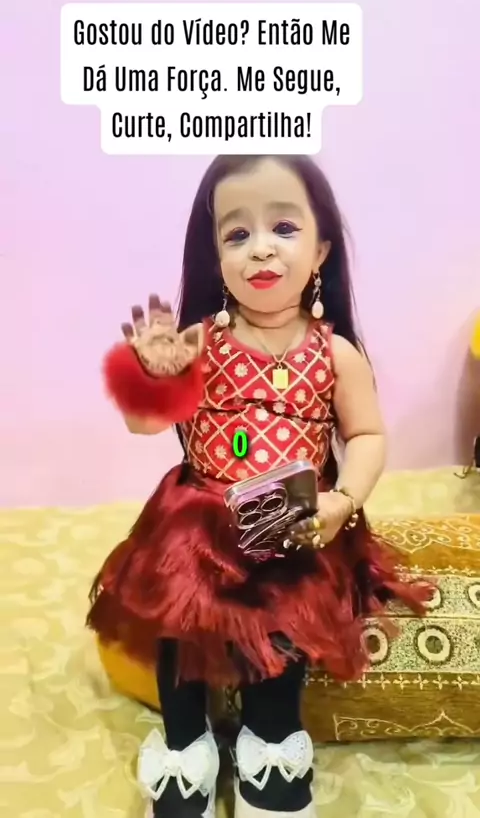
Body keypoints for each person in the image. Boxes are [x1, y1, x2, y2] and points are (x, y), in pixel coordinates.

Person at [87, 155, 432, 818]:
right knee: (178, 621)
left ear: (321, 250)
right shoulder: (200, 343)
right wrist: (153, 374)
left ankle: (270, 744)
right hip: (197, 523)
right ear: (215, 258)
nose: (261, 248)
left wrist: (343, 501)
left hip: (297, 523)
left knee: (284, 628)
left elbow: (367, 435)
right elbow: (143, 423)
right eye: (237, 234)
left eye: (284, 227)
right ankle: (185, 745)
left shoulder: (335, 354)